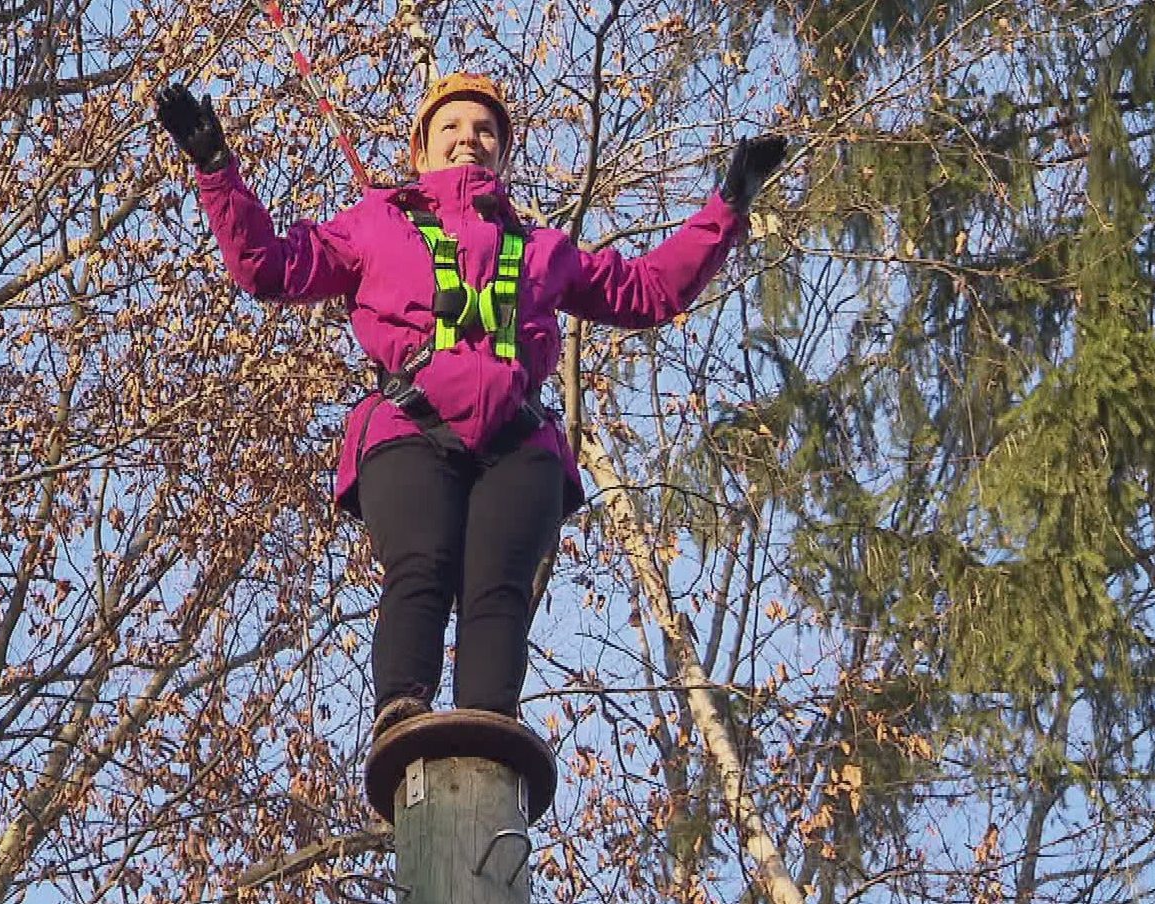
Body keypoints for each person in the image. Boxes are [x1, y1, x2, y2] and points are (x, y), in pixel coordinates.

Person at [155, 74, 785, 740]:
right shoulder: (375, 225)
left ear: (503, 155)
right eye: (451, 128)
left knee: (498, 588)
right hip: (410, 425)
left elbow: (647, 290)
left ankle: (488, 733)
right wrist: (216, 168)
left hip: (516, 440)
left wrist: (727, 207)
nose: (468, 140)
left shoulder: (542, 250)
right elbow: (269, 267)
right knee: (420, 566)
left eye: (485, 131)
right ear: (421, 149)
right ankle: (403, 714)